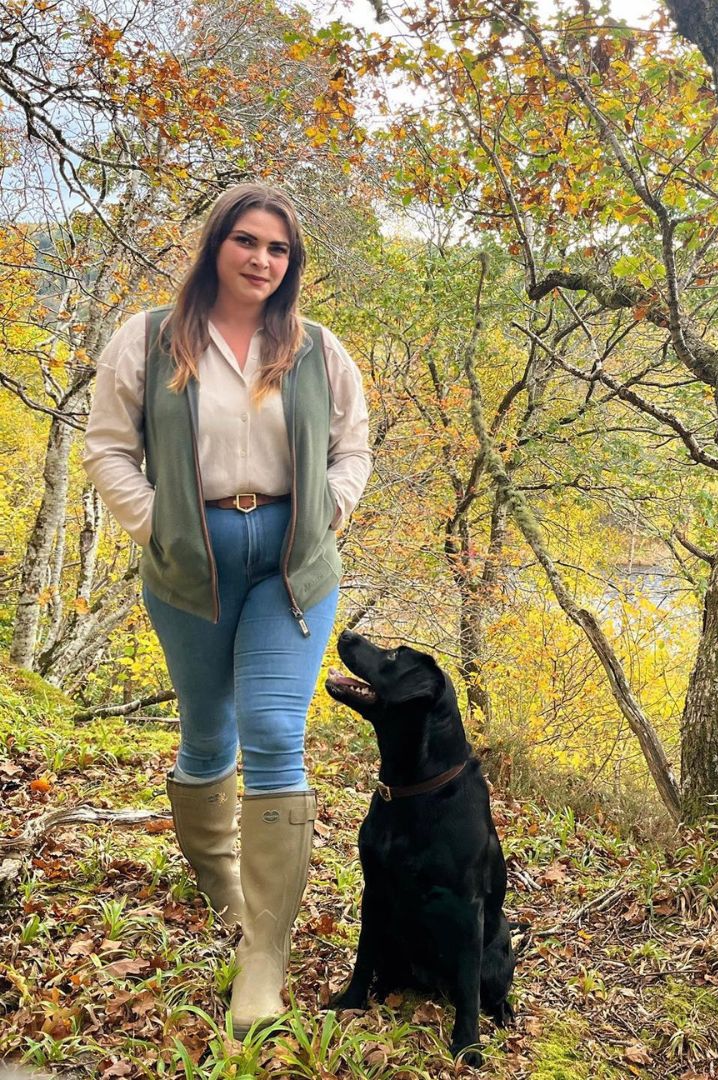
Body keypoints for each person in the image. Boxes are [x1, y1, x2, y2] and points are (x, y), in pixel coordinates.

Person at [83, 184, 372, 1035]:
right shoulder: (148, 337)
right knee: (210, 732)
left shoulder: (319, 349)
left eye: (278, 250)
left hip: (292, 561)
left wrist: (330, 512)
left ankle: (264, 959)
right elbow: (106, 444)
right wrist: (158, 523)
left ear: (293, 264)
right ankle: (224, 883)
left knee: (277, 731)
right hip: (189, 563)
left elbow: (352, 446)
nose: (261, 260)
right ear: (216, 245)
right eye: (246, 242)